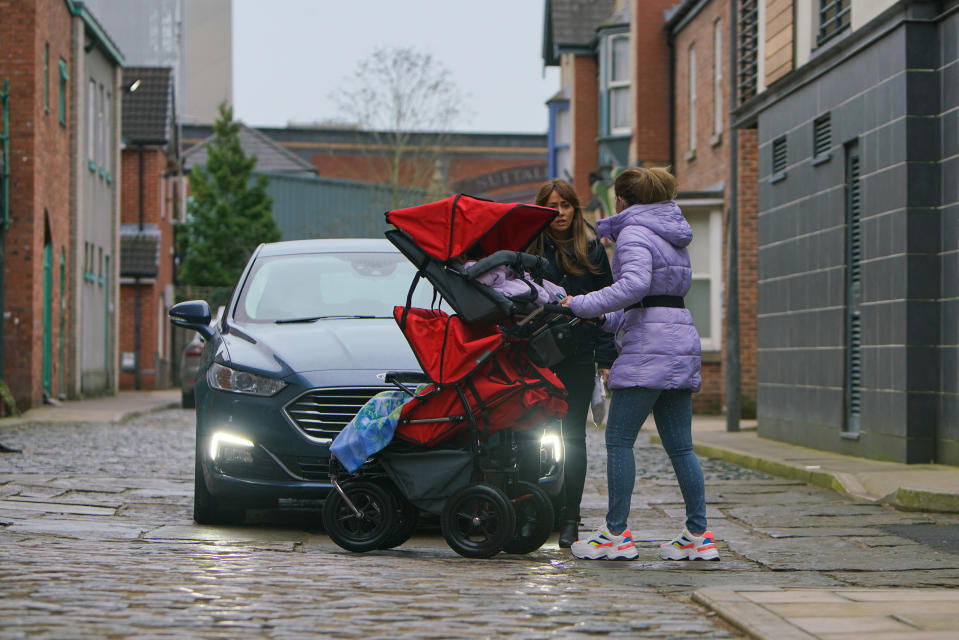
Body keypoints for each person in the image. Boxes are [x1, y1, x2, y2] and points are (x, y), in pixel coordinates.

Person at [561, 166, 719, 562]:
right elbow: (654, 299)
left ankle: (615, 534)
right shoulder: (673, 235)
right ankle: (698, 534)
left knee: (618, 441)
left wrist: (580, 304)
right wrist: (606, 318)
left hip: (649, 349)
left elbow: (634, 287)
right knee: (682, 447)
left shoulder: (633, 233)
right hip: (678, 339)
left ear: (623, 199)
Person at [529, 179, 617, 548]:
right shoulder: (529, 247)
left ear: (575, 208)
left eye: (566, 205)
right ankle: (533, 511)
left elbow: (607, 305)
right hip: (536, 354)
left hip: (579, 352)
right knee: (527, 433)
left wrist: (605, 357)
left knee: (572, 438)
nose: (560, 213)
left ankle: (570, 517)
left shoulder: (592, 249)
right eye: (552, 206)